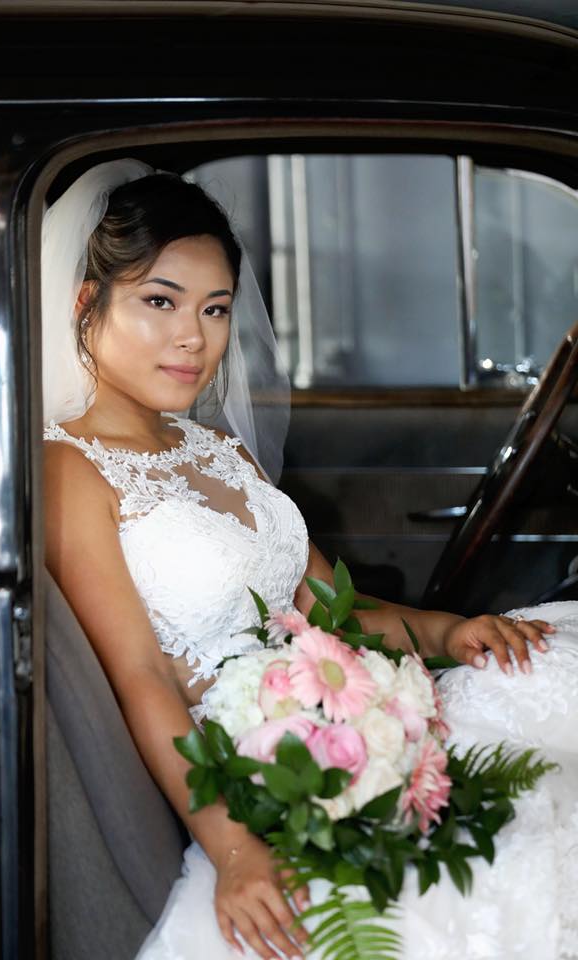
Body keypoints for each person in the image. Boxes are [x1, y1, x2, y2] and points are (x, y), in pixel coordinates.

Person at [42, 159, 578, 960]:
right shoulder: (70, 469)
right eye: (160, 301)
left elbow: (330, 613)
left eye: (215, 308)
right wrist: (231, 848)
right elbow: (143, 680)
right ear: (88, 303)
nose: (195, 337)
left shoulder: (219, 448)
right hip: (254, 775)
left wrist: (445, 634)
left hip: (339, 720)